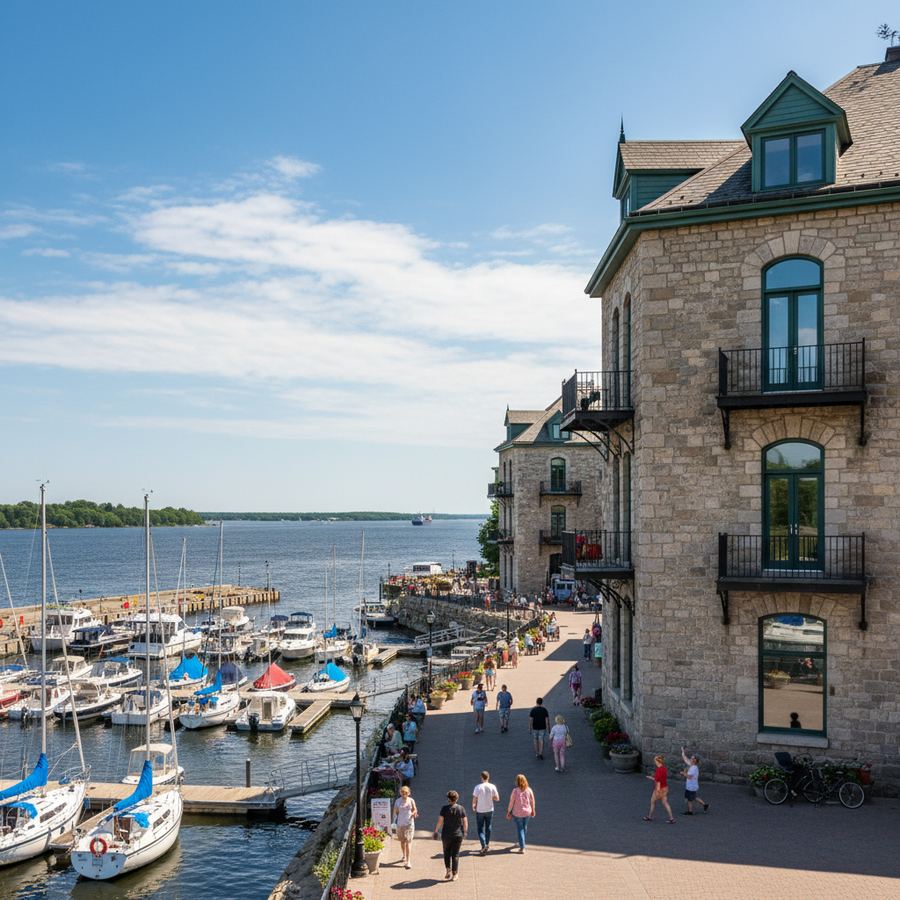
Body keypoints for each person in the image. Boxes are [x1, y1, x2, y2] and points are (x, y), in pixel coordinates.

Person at [434, 789, 467, 881]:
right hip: (458, 835)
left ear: (448, 799)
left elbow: (440, 821)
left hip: (446, 835)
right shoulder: (461, 808)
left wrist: (436, 831)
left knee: (446, 853)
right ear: (457, 799)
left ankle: (448, 869)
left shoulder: (444, 808)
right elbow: (465, 821)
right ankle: (455, 874)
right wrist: (465, 831)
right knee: (455, 854)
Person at [471, 770, 500, 855]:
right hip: (490, 809)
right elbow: (497, 798)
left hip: (480, 810)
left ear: (481, 777)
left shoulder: (477, 787)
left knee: (480, 828)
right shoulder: (492, 786)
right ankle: (486, 844)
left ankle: (484, 845)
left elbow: (474, 798)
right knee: (488, 827)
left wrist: (473, 805)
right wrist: (491, 797)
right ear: (488, 777)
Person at [506, 773, 536, 853]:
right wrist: (533, 810)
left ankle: (522, 847)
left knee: (520, 829)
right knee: (524, 827)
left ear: (517, 782)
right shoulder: (529, 790)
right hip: (527, 812)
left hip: (518, 813)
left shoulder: (515, 791)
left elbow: (511, 802)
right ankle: (520, 842)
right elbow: (532, 801)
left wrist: (509, 811)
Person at [644, 755, 676, 824]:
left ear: (658, 761)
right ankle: (671, 818)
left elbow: (658, 782)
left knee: (652, 802)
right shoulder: (664, 768)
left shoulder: (658, 770)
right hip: (665, 788)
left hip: (659, 789)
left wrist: (657, 791)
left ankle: (649, 816)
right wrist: (651, 778)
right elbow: (660, 779)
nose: (654, 761)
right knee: (665, 803)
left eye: (655, 760)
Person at [392, 784, 418, 869]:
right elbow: (395, 812)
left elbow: (414, 809)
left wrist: (414, 813)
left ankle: (408, 861)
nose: (404, 794)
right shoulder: (398, 801)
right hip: (400, 824)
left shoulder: (411, 800)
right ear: (400, 793)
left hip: (409, 824)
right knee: (402, 842)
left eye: (406, 793)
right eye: (402, 793)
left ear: (409, 793)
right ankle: (404, 855)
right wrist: (393, 822)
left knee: (408, 842)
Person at [681, 747, 709, 814]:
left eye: (693, 758)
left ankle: (690, 811)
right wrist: (683, 752)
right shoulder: (692, 765)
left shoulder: (693, 768)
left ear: (695, 761)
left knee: (690, 799)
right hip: (691, 786)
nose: (691, 759)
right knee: (693, 797)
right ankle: (705, 805)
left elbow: (689, 777)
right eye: (691, 758)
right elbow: (685, 759)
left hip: (691, 786)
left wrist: (683, 773)